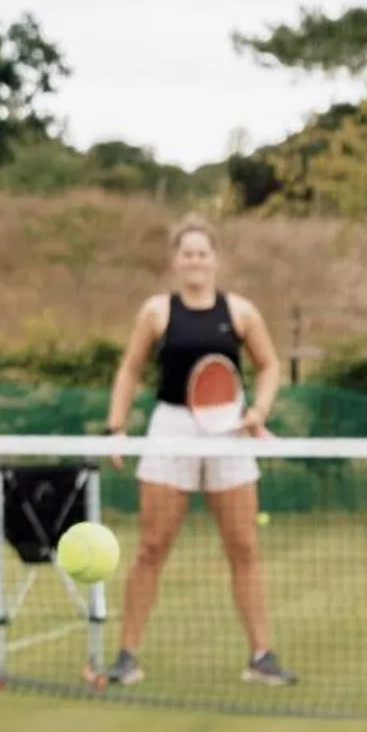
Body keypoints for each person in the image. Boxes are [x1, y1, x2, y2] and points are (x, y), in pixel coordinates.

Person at [101, 214, 296, 689]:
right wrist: (115, 428)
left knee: (244, 547)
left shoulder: (241, 312)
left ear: (215, 259)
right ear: (175, 260)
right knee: (152, 547)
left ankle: (261, 656)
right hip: (171, 428)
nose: (195, 261)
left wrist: (259, 411)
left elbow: (270, 366)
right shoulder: (157, 312)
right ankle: (127, 656)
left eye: (202, 253)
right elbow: (129, 370)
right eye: (186, 253)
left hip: (230, 429)